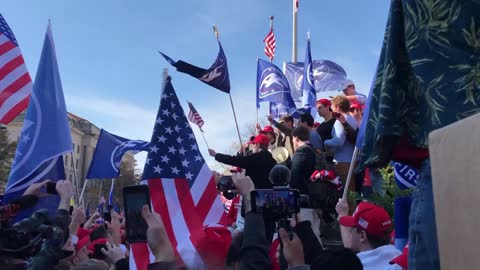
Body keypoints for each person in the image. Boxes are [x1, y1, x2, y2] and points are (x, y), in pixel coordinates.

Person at [336, 199, 401, 270]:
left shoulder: (356, 266)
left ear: (362, 236)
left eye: (352, 229)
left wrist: (342, 214)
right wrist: (342, 214)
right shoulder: (401, 259)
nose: (350, 232)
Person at [209, 134, 276, 189]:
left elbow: (235, 160)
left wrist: (216, 155)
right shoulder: (273, 161)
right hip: (270, 193)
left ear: (257, 144)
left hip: (257, 196)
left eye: (253, 144)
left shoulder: (256, 158)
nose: (252, 147)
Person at [324, 95, 358, 192]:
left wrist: (326, 142)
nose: (331, 110)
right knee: (352, 194)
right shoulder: (352, 119)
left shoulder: (340, 121)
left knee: (346, 196)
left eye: (332, 107)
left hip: (343, 163)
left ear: (337, 107)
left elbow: (338, 142)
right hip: (353, 161)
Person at [290, 126, 317, 195]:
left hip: (303, 195)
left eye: (292, 138)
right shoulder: (315, 150)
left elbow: (295, 176)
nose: (292, 141)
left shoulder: (301, 152)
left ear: (296, 138)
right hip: (315, 192)